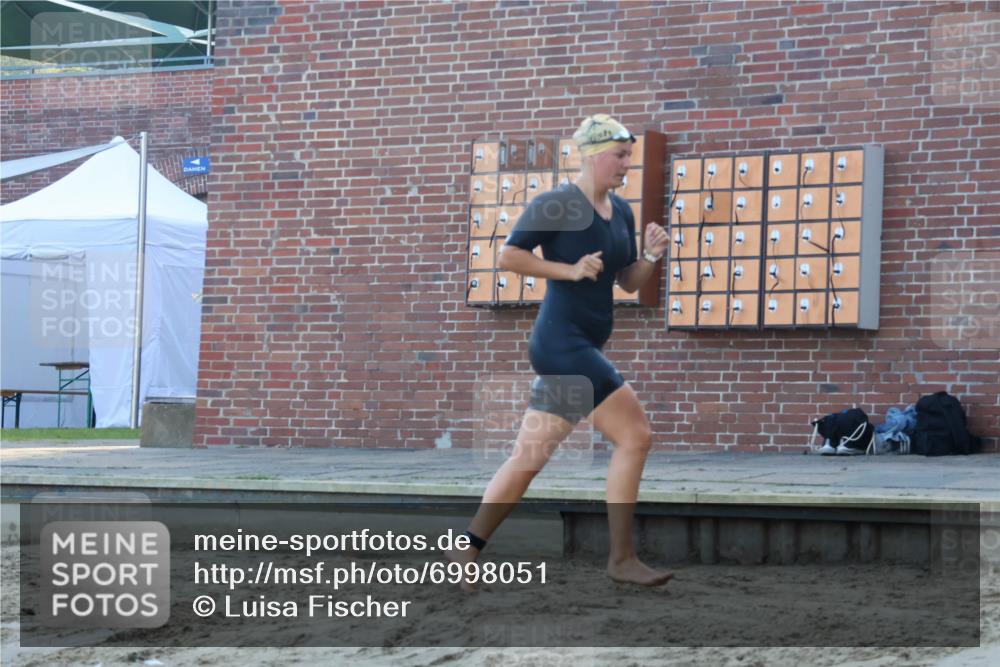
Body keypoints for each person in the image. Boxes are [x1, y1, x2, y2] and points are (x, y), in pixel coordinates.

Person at [451, 114, 672, 589]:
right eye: (619, 155)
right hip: (562, 345)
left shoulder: (622, 212)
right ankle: (621, 558)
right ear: (592, 155)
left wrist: (651, 256)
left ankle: (466, 548)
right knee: (635, 436)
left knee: (527, 458)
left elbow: (626, 282)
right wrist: (569, 270)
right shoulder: (557, 204)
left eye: (629, 155)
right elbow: (509, 256)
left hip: (579, 345)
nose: (627, 164)